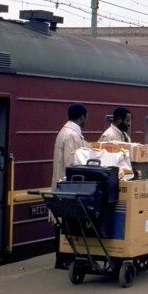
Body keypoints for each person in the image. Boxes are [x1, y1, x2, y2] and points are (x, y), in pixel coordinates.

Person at [51, 103, 88, 270]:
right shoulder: (72, 135)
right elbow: (73, 164)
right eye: (85, 117)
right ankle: (64, 258)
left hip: (61, 184)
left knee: (63, 221)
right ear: (81, 117)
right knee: (68, 222)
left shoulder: (64, 132)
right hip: (69, 186)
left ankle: (63, 257)